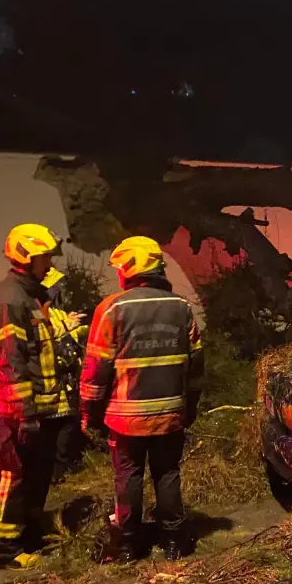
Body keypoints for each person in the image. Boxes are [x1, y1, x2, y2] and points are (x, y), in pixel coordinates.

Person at [80, 236, 204, 562]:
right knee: (167, 473)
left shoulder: (112, 309)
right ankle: (174, 541)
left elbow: (95, 370)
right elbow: (196, 364)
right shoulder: (181, 307)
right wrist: (190, 406)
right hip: (170, 413)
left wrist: (89, 413)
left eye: (120, 268)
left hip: (125, 418)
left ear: (130, 269)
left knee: (128, 476)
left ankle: (128, 544)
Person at [0, 223, 73, 570]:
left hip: (38, 407)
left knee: (34, 475)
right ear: (26, 258)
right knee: (10, 477)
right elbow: (9, 360)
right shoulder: (8, 300)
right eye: (44, 257)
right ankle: (1, 550)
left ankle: (28, 537)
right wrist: (24, 411)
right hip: (15, 410)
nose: (49, 263)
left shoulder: (29, 295)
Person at [40, 267, 90, 482]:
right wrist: (67, 325)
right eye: (55, 286)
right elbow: (45, 334)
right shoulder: (38, 311)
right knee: (58, 425)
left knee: (68, 421)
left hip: (66, 377)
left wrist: (83, 328)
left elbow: (67, 334)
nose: (59, 289)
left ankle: (65, 464)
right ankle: (56, 470)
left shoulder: (56, 311)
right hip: (51, 377)